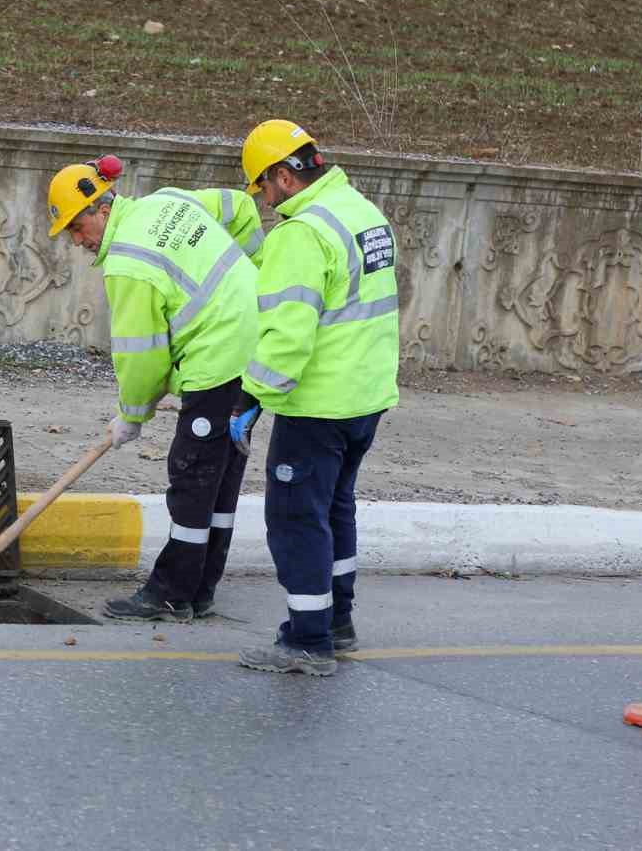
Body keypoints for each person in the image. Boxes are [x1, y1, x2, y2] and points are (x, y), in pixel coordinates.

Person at [47, 154, 256, 621]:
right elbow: (241, 208)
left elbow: (143, 357)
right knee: (220, 479)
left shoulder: (128, 263)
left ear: (102, 208)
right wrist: (254, 273)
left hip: (217, 357)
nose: (76, 241)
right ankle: (201, 589)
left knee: (192, 476)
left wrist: (132, 415)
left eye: (77, 227)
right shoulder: (169, 201)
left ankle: (171, 593)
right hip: (256, 350)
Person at [227, 120, 400, 676]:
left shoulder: (300, 234)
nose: (264, 200)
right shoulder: (363, 213)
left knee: (296, 517)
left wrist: (252, 397)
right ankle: (338, 622)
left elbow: (288, 336)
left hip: (317, 404)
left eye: (264, 187)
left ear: (283, 175)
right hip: (366, 398)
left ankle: (307, 639)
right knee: (335, 507)